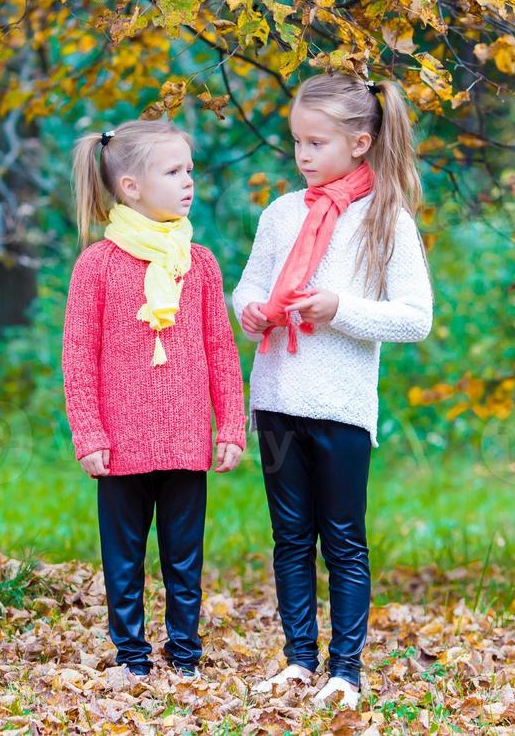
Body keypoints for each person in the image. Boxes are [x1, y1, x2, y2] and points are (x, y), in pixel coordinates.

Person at [233, 72, 435, 708]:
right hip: (275, 400)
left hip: (342, 407)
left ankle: (344, 672)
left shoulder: (387, 222)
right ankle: (298, 661)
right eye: (296, 142)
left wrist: (339, 308)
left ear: (360, 143)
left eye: (316, 143)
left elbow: (415, 318)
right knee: (290, 537)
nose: (302, 155)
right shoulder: (281, 213)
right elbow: (250, 285)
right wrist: (250, 309)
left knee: (343, 538)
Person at [61, 118, 247, 681]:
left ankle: (185, 656)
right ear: (131, 188)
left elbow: (221, 350)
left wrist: (231, 425)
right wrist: (89, 433)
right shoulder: (97, 265)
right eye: (173, 171)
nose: (189, 181)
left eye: (189, 170)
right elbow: (78, 357)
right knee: (124, 560)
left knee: (183, 560)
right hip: (119, 445)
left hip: (188, 440)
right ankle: (132, 657)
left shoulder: (201, 264)